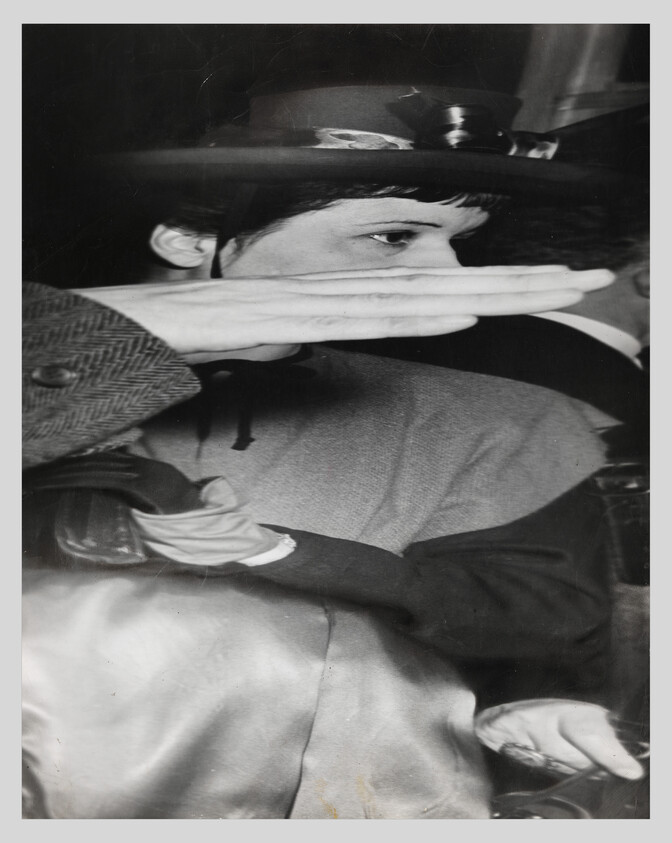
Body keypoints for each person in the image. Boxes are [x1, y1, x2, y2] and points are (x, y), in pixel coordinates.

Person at [22, 84, 645, 819]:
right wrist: (74, 343)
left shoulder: (505, 422)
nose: (447, 275)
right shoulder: (34, 376)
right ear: (187, 238)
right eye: (393, 236)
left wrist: (517, 714)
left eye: (460, 242)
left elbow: (538, 647)